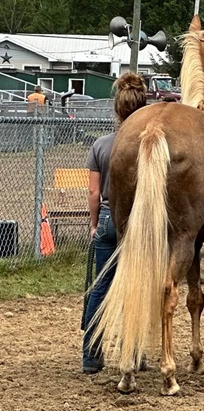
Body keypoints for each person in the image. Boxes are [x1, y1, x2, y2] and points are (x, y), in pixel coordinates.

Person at [81, 125, 117, 374]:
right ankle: (135, 353)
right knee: (138, 285)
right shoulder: (145, 140)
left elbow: (94, 191)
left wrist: (94, 225)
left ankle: (91, 355)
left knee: (101, 286)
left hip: (106, 217)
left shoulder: (101, 144)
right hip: (136, 221)